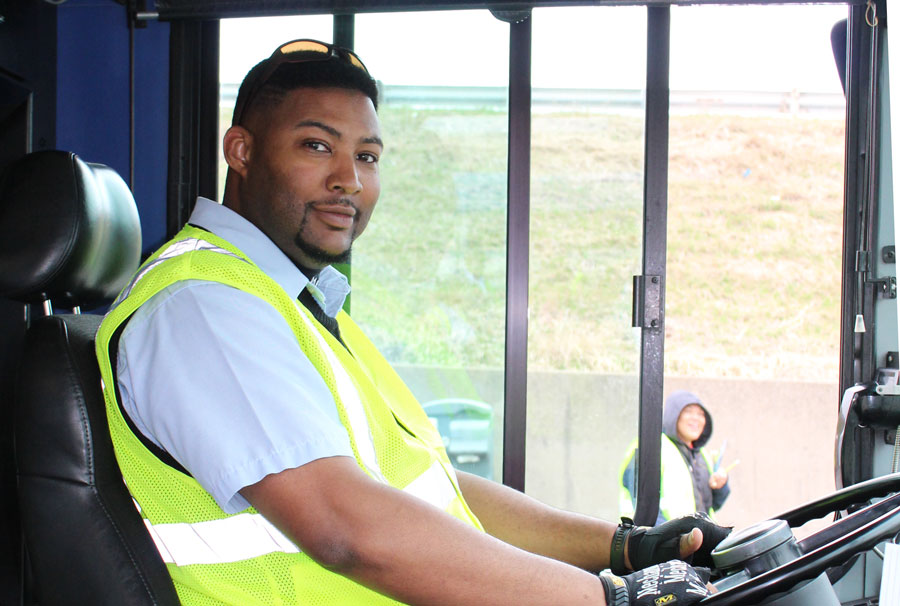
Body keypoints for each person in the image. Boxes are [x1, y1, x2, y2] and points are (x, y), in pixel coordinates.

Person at [95, 39, 728, 605]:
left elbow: (435, 496)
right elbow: (346, 527)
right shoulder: (202, 306)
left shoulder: (298, 304)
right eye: (317, 146)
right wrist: (607, 600)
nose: (349, 180)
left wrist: (626, 549)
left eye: (367, 156)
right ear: (241, 150)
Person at [620, 390, 731, 526]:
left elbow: (710, 505)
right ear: (673, 415)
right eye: (688, 411)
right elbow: (642, 506)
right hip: (663, 538)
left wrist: (720, 487)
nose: (696, 418)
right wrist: (670, 536)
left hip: (696, 536)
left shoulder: (701, 454)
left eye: (701, 414)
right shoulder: (650, 446)